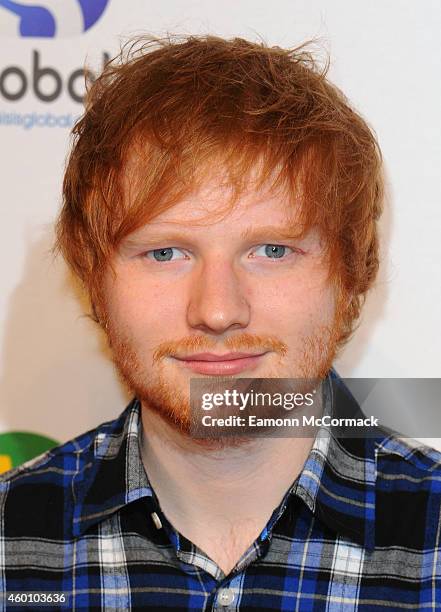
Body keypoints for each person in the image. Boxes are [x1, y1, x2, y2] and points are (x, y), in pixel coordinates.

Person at [1, 35, 440, 611]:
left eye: (272, 250)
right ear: (95, 279)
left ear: (351, 273)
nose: (216, 310)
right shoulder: (12, 544)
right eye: (165, 253)